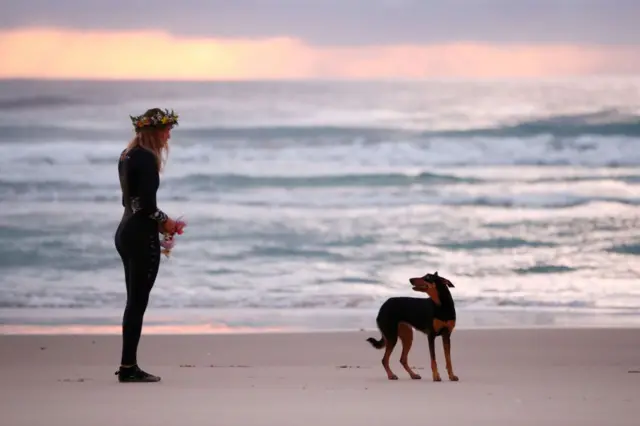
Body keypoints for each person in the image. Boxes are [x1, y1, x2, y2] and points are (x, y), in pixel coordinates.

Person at [114, 108, 183, 383]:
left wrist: (158, 222)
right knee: (137, 303)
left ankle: (128, 364)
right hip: (140, 237)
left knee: (133, 302)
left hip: (125, 231)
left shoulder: (127, 155)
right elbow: (147, 207)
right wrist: (166, 222)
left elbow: (128, 203)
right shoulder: (146, 159)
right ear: (155, 131)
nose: (168, 136)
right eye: (166, 130)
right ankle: (129, 367)